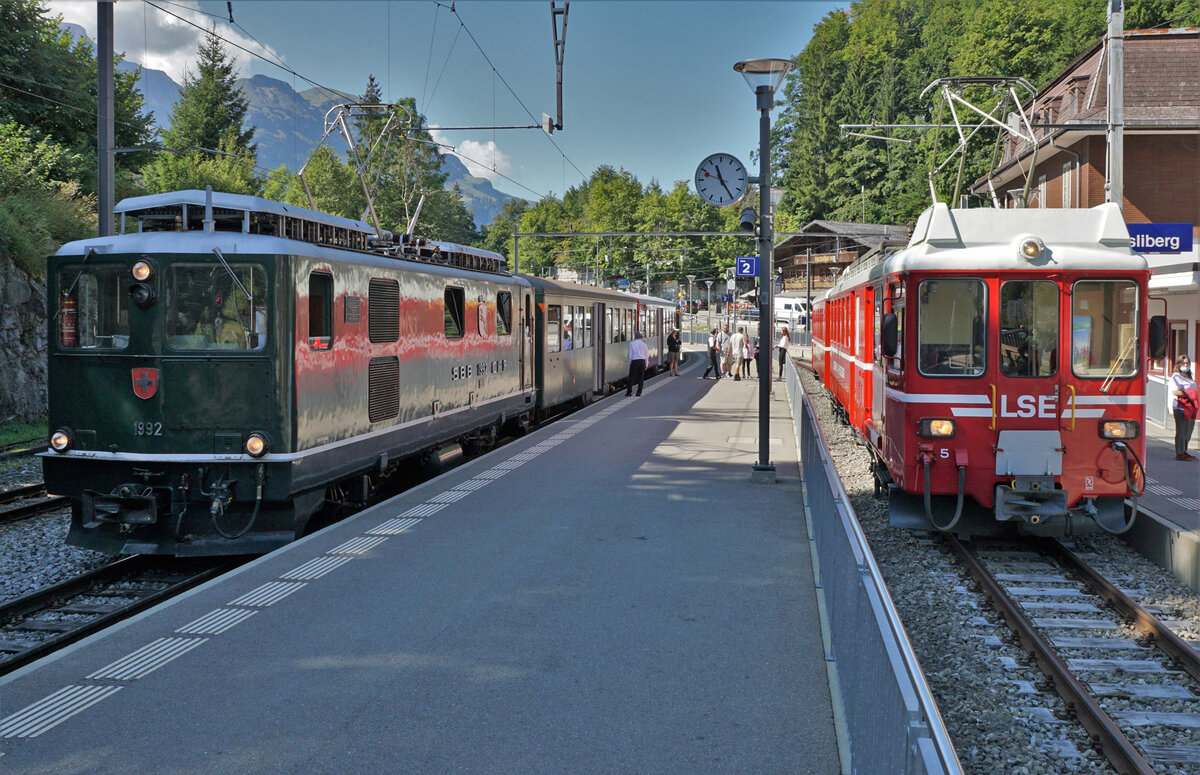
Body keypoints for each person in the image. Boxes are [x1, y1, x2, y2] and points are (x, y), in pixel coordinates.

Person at [1170, 355, 1198, 461]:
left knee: (1188, 431)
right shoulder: (1176, 377)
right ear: (1179, 364)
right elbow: (1175, 391)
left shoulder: (1189, 377)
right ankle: (1180, 453)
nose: (1186, 365)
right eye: (1183, 363)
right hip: (1181, 407)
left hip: (1191, 407)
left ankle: (1185, 451)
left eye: (1187, 363)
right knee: (1181, 431)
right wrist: (1189, 394)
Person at [626, 331, 649, 396]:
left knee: (631, 377)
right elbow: (647, 355)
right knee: (641, 377)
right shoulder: (644, 345)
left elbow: (629, 355)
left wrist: (630, 362)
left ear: (635, 336)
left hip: (634, 361)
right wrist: (646, 364)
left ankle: (629, 392)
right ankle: (639, 392)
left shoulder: (631, 344)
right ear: (641, 337)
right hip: (642, 361)